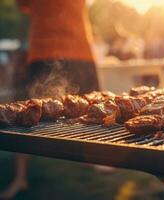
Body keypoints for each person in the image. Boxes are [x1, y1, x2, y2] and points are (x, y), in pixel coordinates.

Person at [0, 0, 99, 199]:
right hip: (43, 50)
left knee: (94, 107)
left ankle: (95, 160)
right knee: (27, 113)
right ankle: (20, 178)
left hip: (79, 48)